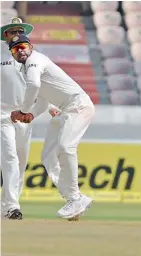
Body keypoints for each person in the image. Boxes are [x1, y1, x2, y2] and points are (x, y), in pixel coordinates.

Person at [8, 34, 94, 220]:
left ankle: (76, 198)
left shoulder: (35, 60)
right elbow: (43, 98)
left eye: (23, 46)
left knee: (65, 147)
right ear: (12, 54)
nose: (20, 50)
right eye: (15, 49)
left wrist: (22, 110)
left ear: (31, 47)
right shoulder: (25, 69)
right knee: (48, 156)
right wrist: (31, 114)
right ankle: (73, 198)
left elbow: (33, 85)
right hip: (64, 110)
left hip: (78, 105)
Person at [0, 17, 58, 220]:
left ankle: (8, 204)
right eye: (12, 30)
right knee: (9, 158)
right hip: (2, 115)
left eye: (19, 29)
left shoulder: (30, 55)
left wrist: (50, 105)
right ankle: (12, 206)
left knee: (21, 160)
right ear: (4, 34)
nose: (16, 33)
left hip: (24, 115)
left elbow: (38, 84)